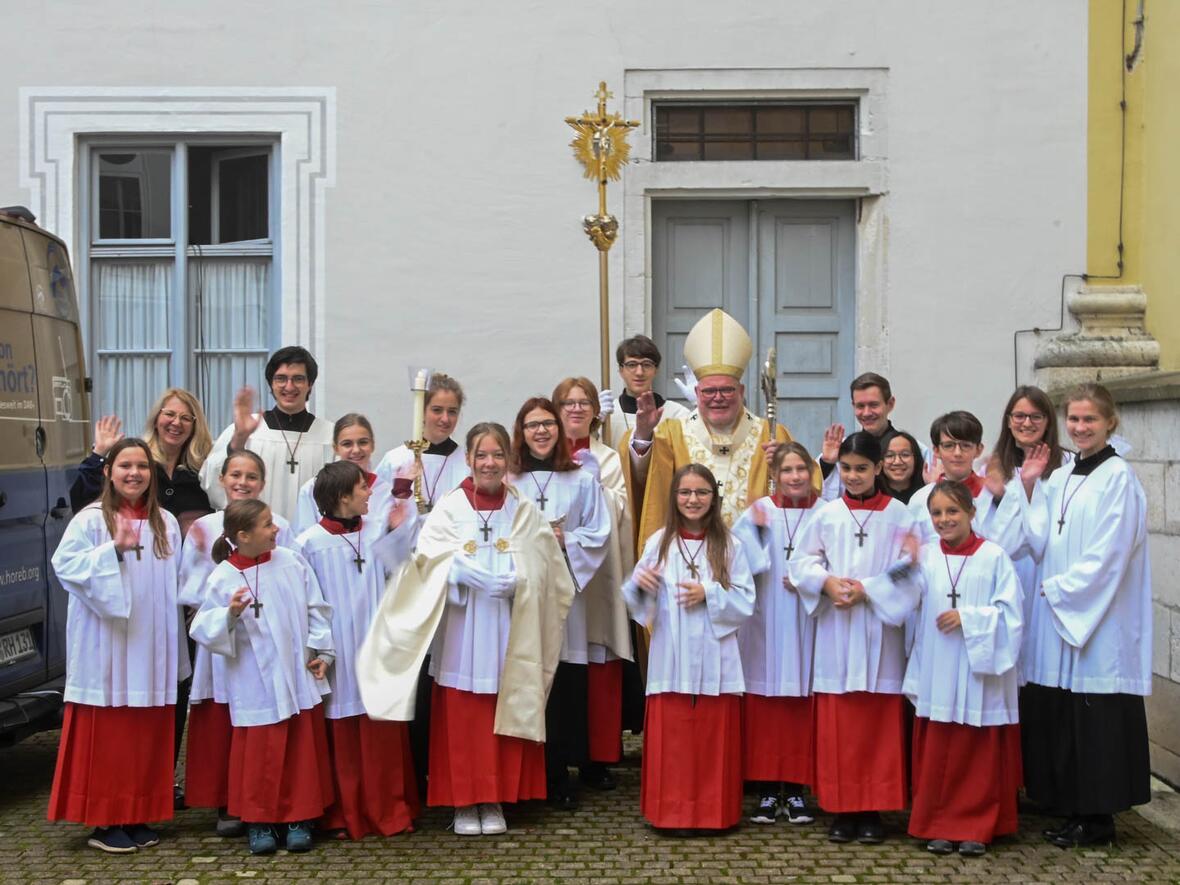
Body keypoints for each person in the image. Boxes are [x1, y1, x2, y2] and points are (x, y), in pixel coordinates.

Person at [356, 423, 575, 837]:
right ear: (469, 460)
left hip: (510, 625)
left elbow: (549, 567)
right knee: (462, 715)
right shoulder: (450, 507)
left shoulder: (523, 508)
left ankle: (493, 797)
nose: (489, 463)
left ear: (508, 461)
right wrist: (459, 572)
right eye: (481, 455)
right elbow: (423, 562)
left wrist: (519, 580)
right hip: (462, 627)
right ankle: (463, 800)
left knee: (499, 709)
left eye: (497, 455)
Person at [1017, 383, 1151, 847]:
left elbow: (1110, 554)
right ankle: (1074, 807)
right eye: (1073, 419)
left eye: (1089, 420)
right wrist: (1032, 486)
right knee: (1068, 715)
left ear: (1110, 422)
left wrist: (1059, 590)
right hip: (1063, 613)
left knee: (1096, 719)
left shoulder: (1119, 478)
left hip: (1097, 618)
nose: (1079, 428)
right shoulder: (1065, 474)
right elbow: (1038, 540)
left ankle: (1098, 818)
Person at [48, 439, 186, 853]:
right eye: (125, 465)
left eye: (142, 466)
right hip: (107, 646)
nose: (134, 473)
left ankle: (137, 813)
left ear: (152, 473)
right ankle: (106, 823)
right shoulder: (91, 520)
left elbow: (176, 582)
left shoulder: (166, 522)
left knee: (146, 733)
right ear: (108, 471)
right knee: (110, 736)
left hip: (152, 644)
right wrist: (115, 551)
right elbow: (66, 567)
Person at [787, 432, 917, 844]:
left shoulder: (900, 515)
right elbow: (801, 561)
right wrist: (825, 582)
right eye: (846, 468)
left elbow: (912, 567)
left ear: (879, 468)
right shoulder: (825, 514)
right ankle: (841, 809)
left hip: (879, 631)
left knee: (876, 726)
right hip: (838, 632)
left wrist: (871, 588)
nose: (853, 476)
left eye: (862, 468)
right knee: (839, 725)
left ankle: (873, 811)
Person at [881, 481, 1023, 857]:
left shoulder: (995, 557)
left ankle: (976, 826)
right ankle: (939, 824)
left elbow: (1012, 617)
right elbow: (893, 593)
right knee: (939, 751)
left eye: (952, 512)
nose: (944, 520)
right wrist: (903, 563)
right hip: (938, 667)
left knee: (977, 753)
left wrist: (970, 618)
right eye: (937, 513)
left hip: (979, 673)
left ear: (971, 513)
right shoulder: (926, 556)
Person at [189, 498, 335, 855]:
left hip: (296, 670)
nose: (276, 529)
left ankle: (299, 818)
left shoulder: (290, 561)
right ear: (242, 535)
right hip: (253, 680)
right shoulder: (224, 575)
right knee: (259, 754)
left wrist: (322, 651)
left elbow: (316, 608)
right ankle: (259, 821)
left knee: (299, 749)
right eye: (268, 524)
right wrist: (230, 614)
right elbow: (201, 627)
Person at [623, 464, 755, 831]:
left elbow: (745, 601)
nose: (692, 500)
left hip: (717, 657)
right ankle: (672, 813)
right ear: (674, 498)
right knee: (676, 742)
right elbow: (637, 606)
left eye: (701, 493)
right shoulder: (659, 542)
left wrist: (708, 593)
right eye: (685, 493)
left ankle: (714, 814)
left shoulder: (730, 545)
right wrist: (641, 585)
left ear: (714, 499)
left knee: (713, 741)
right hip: (672, 657)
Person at [296, 461, 420, 840]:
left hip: (377, 645)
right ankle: (343, 815)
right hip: (337, 652)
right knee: (343, 738)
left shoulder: (375, 533)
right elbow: (308, 604)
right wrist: (320, 649)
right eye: (362, 488)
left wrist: (400, 529)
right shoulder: (308, 544)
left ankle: (390, 810)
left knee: (381, 732)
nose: (370, 492)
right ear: (341, 497)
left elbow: (401, 570)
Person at [178, 450, 296, 836]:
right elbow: (192, 590)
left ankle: (269, 801)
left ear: (262, 484)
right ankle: (228, 801)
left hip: (268, 636)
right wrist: (227, 610)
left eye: (251, 476)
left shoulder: (279, 525)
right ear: (222, 479)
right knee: (227, 715)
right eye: (235, 475)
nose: (242, 482)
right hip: (223, 637)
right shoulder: (202, 528)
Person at [508, 397, 612, 809]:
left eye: (548, 423)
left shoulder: (582, 479)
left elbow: (599, 532)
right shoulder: (510, 479)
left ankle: (559, 775)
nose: (542, 431)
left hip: (566, 591)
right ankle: (526, 774)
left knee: (564, 684)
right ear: (521, 430)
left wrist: (566, 539)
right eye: (533, 424)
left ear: (559, 430)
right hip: (522, 592)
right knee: (526, 677)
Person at [624, 309, 797, 547]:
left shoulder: (772, 434)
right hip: (690, 555)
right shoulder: (673, 434)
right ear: (696, 393)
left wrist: (784, 470)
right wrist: (643, 434)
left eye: (727, 390)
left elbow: (809, 489)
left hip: (755, 558)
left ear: (742, 392)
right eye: (708, 391)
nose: (718, 398)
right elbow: (644, 482)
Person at [373, 373, 468, 789]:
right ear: (421, 412)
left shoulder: (468, 460)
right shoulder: (396, 459)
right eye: (436, 410)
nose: (444, 419)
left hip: (453, 584)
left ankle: (443, 768)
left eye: (451, 411)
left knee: (444, 680)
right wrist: (398, 504)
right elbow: (374, 520)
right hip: (406, 582)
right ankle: (410, 773)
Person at [731, 443, 823, 825]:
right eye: (787, 470)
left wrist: (808, 578)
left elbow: (836, 557)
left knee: (801, 703)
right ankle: (768, 791)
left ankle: (798, 791)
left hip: (806, 617)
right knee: (765, 704)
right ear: (776, 475)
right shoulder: (759, 512)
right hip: (766, 616)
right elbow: (737, 557)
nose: (795, 476)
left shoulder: (826, 512)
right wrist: (762, 560)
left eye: (802, 468)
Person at [552, 377, 638, 782]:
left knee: (598, 661)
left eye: (584, 402)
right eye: (568, 402)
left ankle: (598, 756)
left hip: (596, 575)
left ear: (595, 411)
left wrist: (595, 487)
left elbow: (621, 509)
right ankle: (559, 752)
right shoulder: (543, 456)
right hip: (556, 572)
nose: (576, 409)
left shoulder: (606, 458)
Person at [200, 346, 335, 518]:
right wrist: (239, 440)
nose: (289, 386)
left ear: (310, 384)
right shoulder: (246, 429)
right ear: (271, 383)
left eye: (298, 379)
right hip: (254, 535)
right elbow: (211, 482)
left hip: (311, 539)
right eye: (281, 378)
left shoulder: (329, 435)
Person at [70, 389, 215, 533]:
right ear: (156, 420)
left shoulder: (204, 469)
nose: (176, 422)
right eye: (169, 414)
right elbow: (83, 502)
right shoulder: (137, 466)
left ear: (195, 426)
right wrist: (98, 454)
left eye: (186, 418)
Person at [818, 373, 931, 499]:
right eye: (860, 406)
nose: (866, 413)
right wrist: (827, 464)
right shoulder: (842, 449)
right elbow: (817, 494)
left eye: (873, 405)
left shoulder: (915, 449)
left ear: (890, 404)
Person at [294, 413, 391, 536]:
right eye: (347, 444)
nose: (356, 450)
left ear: (372, 445)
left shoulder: (386, 492)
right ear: (335, 448)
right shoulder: (312, 489)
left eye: (363, 442)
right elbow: (305, 538)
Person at [605, 334, 691, 450]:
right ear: (621, 370)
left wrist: (700, 406)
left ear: (656, 370)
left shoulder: (676, 414)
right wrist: (593, 423)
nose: (639, 372)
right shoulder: (608, 415)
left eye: (647, 364)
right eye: (632, 365)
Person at [879, 430, 926, 505]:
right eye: (889, 455)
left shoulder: (927, 495)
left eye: (905, 455)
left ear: (916, 459)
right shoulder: (872, 497)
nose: (897, 462)